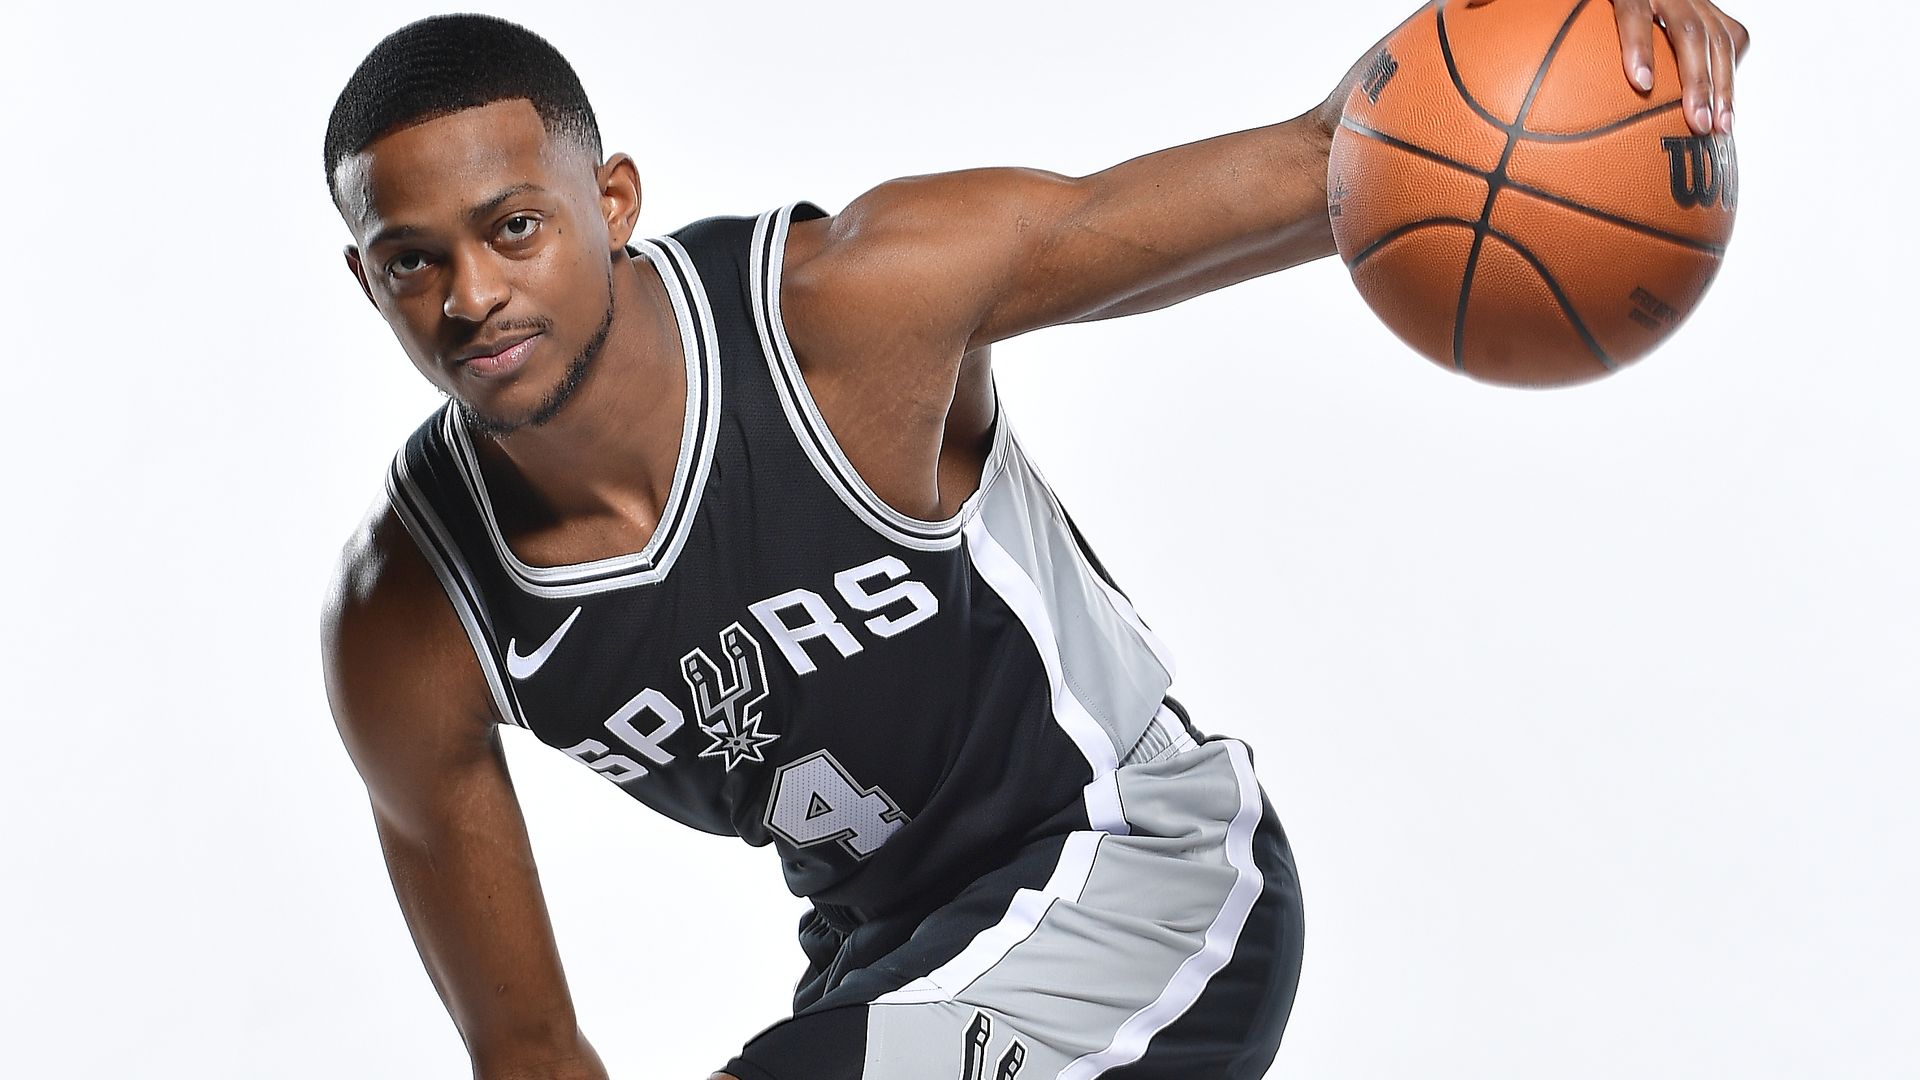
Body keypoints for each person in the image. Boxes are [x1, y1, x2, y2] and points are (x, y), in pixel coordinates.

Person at [319, 4, 1748, 1078]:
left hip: (1146, 869)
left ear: (609, 202)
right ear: (366, 277)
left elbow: (1344, 158)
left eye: (515, 228)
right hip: (892, 977)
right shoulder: (410, 622)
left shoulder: (845, 314)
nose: (471, 298)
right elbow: (527, 1053)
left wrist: (1596, 46)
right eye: (413, 263)